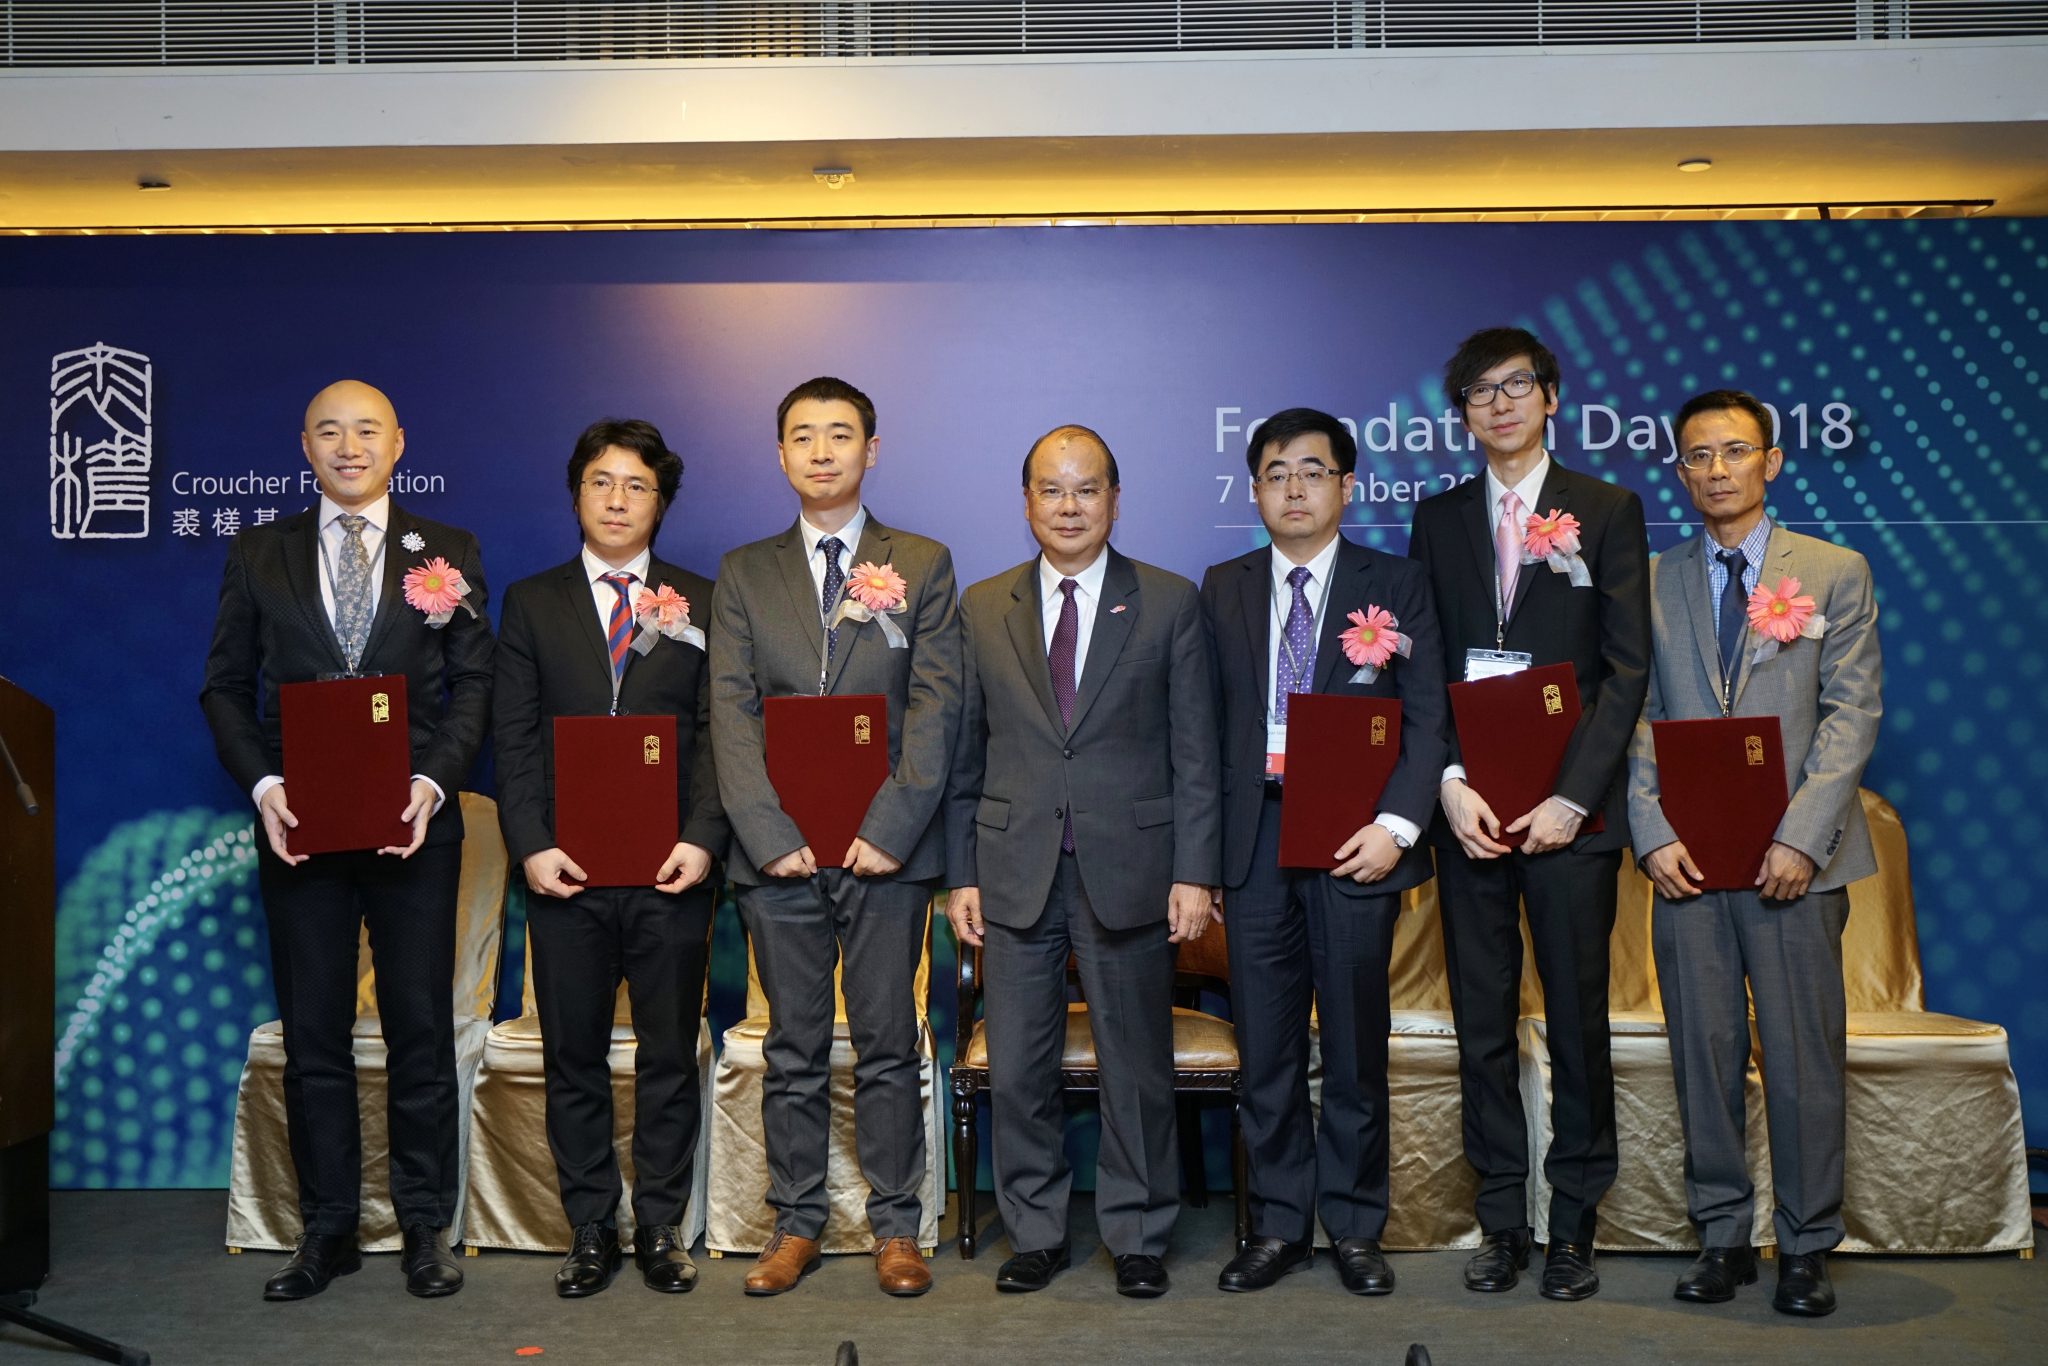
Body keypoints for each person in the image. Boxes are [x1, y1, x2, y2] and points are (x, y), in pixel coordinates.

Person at [200, 379, 492, 1300]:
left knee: (419, 1029)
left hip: (414, 826)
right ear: (306, 446)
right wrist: (266, 787)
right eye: (330, 431)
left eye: (367, 430)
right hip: (302, 829)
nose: (349, 446)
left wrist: (431, 782)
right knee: (315, 1034)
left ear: (399, 443)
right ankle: (325, 1230)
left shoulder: (445, 550)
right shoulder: (260, 550)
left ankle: (423, 1226)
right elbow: (224, 686)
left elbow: (474, 685)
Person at [945, 424, 1221, 1299]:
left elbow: (1197, 753)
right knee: (1020, 1067)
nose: (1069, 506)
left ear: (1115, 499)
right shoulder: (983, 605)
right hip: (1012, 870)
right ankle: (1034, 1232)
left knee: (1135, 1068)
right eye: (1052, 489)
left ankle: (1138, 1235)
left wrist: (1195, 871)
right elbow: (962, 753)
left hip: (1133, 869)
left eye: (1087, 489)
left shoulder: (1169, 601)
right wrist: (960, 873)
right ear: (1026, 501)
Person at [1626, 389, 1881, 1317]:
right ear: (1680, 472)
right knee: (1703, 1053)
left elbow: (1851, 713)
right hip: (1688, 864)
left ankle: (1806, 1246)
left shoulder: (1835, 570)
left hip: (1795, 867)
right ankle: (1722, 1237)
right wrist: (1650, 831)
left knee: (1803, 1055)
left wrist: (1800, 839)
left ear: (1770, 460)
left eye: (1735, 451)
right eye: (1698, 455)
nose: (1717, 469)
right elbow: (1636, 715)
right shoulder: (1649, 580)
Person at [1407, 327, 1650, 1300]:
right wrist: (1447, 781)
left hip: (1566, 818)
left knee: (1577, 1021)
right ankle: (1502, 1219)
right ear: (1461, 413)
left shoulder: (1606, 509)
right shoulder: (1438, 519)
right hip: (1471, 811)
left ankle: (1574, 1224)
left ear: (1550, 397)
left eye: (1516, 385)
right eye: (1479, 390)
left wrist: (1572, 797)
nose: (1499, 403)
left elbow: (1624, 669)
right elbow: (1426, 664)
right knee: (1482, 1022)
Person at [708, 376, 961, 1297]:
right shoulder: (744, 572)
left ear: (872, 449)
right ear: (780, 454)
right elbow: (730, 710)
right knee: (794, 1048)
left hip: (885, 853)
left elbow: (937, 707)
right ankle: (796, 1224)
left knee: (890, 1042)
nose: (822, 451)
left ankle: (897, 1227)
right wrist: (767, 832)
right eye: (804, 436)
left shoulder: (921, 563)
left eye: (841, 434)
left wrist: (891, 828)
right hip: (777, 854)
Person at [1198, 408, 1447, 1296]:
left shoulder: (1397, 582)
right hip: (1255, 839)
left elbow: (1428, 717)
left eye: (1311, 471)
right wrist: (1202, 860)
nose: (1293, 489)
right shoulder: (1222, 586)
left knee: (1352, 1046)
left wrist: (1398, 827)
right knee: (1266, 1051)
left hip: (1355, 836)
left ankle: (1354, 1226)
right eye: (1275, 474)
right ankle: (1277, 1226)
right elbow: (1199, 730)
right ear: (1253, 490)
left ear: (1347, 484)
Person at [493, 418, 729, 1298]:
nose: (618, 499)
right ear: (576, 494)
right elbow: (513, 737)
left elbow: (719, 734)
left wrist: (702, 837)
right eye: (601, 481)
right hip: (567, 872)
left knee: (669, 1055)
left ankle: (661, 1225)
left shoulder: (702, 599)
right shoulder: (532, 602)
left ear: (660, 503)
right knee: (573, 1056)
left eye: (637, 485)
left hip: (673, 871)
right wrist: (531, 844)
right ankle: (590, 1226)